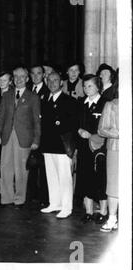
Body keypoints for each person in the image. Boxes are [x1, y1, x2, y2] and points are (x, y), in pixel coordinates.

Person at [0, 66, 41, 208]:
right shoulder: (7, 95)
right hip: (7, 135)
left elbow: (37, 121)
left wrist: (36, 140)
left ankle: (20, 198)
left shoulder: (33, 97)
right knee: (5, 167)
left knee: (21, 169)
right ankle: (6, 197)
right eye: (16, 76)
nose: (19, 79)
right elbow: (1, 116)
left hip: (24, 137)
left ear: (27, 79)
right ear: (12, 79)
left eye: (22, 77)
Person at [39, 72, 78, 218]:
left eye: (55, 80)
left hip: (62, 145)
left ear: (62, 82)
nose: (52, 83)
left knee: (64, 177)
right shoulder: (45, 100)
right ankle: (54, 203)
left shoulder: (69, 101)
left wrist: (73, 148)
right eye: (49, 80)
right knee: (52, 176)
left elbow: (71, 125)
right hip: (48, 144)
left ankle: (66, 207)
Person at [75, 74, 108, 224]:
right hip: (83, 148)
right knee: (84, 178)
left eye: (90, 86)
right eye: (85, 86)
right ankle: (88, 211)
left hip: (98, 148)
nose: (86, 89)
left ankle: (103, 211)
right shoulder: (81, 103)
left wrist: (91, 135)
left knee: (100, 180)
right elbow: (76, 123)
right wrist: (79, 131)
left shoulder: (104, 103)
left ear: (98, 86)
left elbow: (106, 127)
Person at [27, 65, 50, 207]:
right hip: (28, 132)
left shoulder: (48, 91)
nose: (36, 76)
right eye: (33, 73)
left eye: (39, 73)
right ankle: (31, 194)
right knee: (30, 165)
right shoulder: (27, 89)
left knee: (43, 167)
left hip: (42, 133)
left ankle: (43, 197)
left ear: (43, 75)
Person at [98, 85, 119, 232]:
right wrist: (117, 134)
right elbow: (101, 129)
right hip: (115, 149)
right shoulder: (110, 105)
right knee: (113, 185)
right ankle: (112, 218)